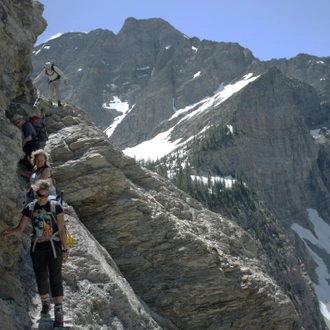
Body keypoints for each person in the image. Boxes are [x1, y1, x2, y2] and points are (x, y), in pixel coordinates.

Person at [2, 180, 68, 328]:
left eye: (45, 195)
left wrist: (65, 250)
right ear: (36, 193)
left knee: (56, 276)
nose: (43, 198)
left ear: (48, 193)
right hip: (37, 246)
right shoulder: (30, 208)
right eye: (40, 195)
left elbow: (62, 230)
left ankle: (59, 312)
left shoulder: (56, 207)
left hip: (54, 245)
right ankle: (45, 303)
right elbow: (20, 228)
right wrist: (10, 232)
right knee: (41, 275)